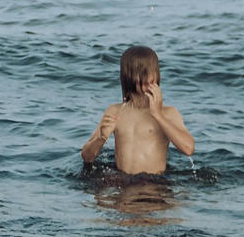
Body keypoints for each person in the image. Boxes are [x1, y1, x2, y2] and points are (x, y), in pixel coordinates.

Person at [80, 45, 195, 175]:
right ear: (128, 76)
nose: (148, 79)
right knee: (99, 195)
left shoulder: (168, 113)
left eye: (152, 72)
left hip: (153, 185)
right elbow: (86, 157)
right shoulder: (115, 111)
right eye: (142, 74)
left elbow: (188, 148)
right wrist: (101, 138)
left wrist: (158, 114)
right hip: (122, 183)